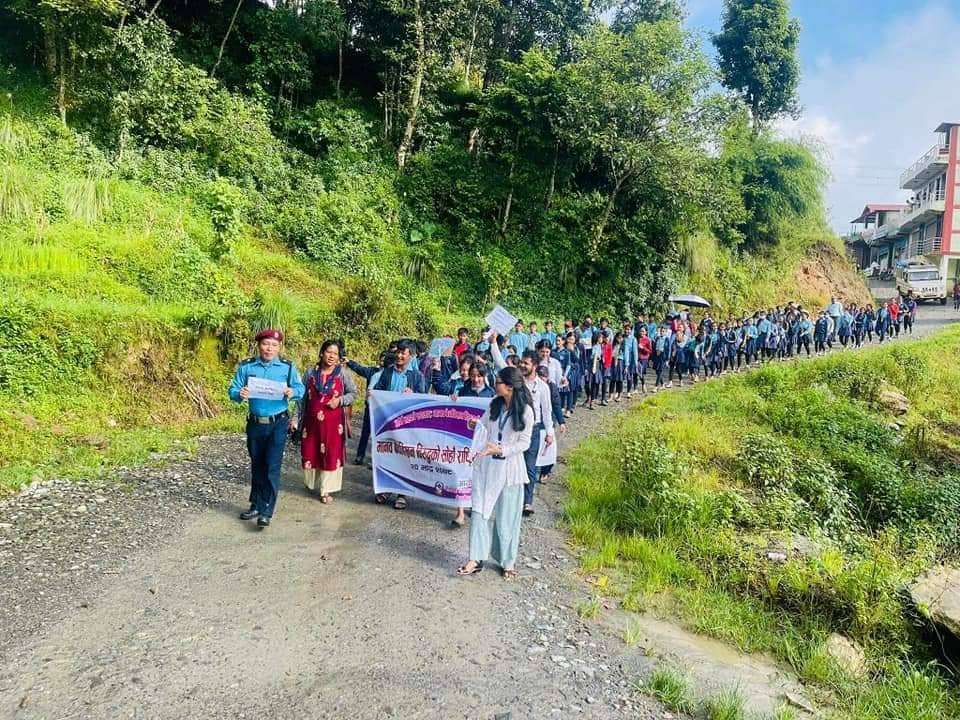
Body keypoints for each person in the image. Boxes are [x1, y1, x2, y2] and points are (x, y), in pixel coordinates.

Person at [456, 367, 534, 578]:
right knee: (480, 511)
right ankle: (475, 558)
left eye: (498, 381)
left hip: (510, 471)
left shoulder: (525, 411)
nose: (495, 384)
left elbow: (524, 443)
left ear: (509, 386)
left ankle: (506, 561)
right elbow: (482, 425)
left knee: (507, 518)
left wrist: (501, 449)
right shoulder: (494, 404)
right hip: (488, 467)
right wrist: (474, 425)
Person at [228, 328, 305, 528]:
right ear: (259, 345)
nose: (269, 348)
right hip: (255, 423)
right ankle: (255, 503)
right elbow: (233, 389)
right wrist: (240, 393)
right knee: (257, 464)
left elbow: (300, 388)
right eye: (265, 344)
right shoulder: (247, 366)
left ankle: (266, 510)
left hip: (277, 423)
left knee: (271, 466)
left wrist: (291, 391)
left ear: (279, 347)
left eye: (274, 345)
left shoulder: (287, 367)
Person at [490, 339, 554, 516]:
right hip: (513, 427)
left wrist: (550, 433)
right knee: (509, 462)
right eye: (521, 363)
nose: (522, 366)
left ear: (534, 365)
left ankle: (527, 501)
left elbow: (546, 411)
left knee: (529, 466)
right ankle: (507, 498)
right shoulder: (515, 381)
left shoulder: (542, 388)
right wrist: (493, 343)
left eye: (526, 363)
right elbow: (500, 363)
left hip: (532, 430)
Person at [296, 340, 356, 504]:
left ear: (339, 357)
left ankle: (326, 489)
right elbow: (301, 397)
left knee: (330, 454)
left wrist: (340, 400)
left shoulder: (342, 373)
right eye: (329, 352)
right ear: (322, 353)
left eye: (335, 354)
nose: (331, 356)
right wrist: (295, 418)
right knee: (311, 452)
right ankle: (313, 484)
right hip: (311, 424)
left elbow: (353, 393)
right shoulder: (310, 373)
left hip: (333, 426)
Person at [369, 338, 427, 509]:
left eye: (403, 353)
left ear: (411, 356)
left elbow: (424, 398)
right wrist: (373, 395)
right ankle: (386, 489)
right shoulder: (387, 372)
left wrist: (413, 393)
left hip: (408, 426)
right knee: (388, 455)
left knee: (405, 457)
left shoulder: (416, 376)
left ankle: (403, 493)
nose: (399, 355)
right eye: (398, 352)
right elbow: (378, 390)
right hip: (387, 423)